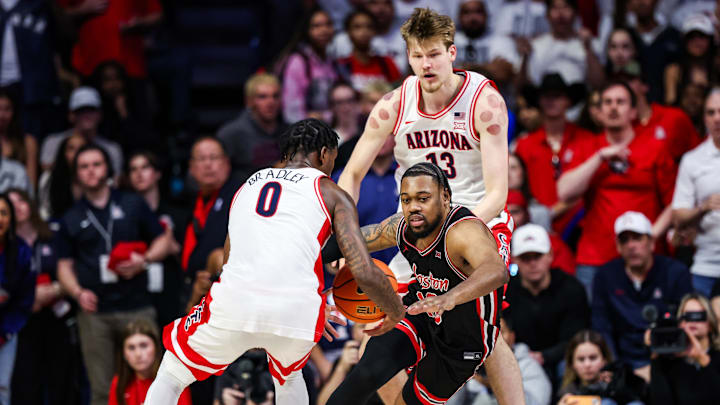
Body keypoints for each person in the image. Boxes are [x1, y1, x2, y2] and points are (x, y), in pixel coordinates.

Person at [144, 118, 404, 405]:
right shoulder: (332, 193)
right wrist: (395, 312)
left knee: (172, 370)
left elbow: (229, 260)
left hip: (236, 303)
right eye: (332, 159)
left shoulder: (247, 185)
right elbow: (363, 271)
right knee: (289, 376)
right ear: (323, 155)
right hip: (299, 315)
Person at [336, 8, 523, 402]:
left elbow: (497, 194)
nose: (426, 64)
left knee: (484, 335)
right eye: (418, 55)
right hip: (417, 226)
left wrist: (450, 233)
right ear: (407, 57)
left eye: (434, 54)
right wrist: (345, 234)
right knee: (381, 324)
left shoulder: (484, 101)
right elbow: (350, 175)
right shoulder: (393, 104)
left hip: (476, 221)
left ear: (452, 53)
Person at [324, 162, 512, 404]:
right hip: (420, 314)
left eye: (423, 198)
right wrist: (305, 257)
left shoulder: (463, 231)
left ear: (445, 197)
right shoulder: (403, 226)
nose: (413, 207)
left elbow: (497, 271)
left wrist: (449, 298)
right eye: (406, 199)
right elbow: (351, 240)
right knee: (365, 374)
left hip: (463, 339)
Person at [56, 144, 170, 405]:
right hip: (96, 311)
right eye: (84, 166)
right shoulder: (70, 217)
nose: (91, 171)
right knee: (101, 388)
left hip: (137, 305)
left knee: (155, 382)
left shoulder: (132, 203)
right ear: (76, 175)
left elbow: (163, 240)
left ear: (108, 168)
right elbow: (64, 266)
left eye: (96, 164)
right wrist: (77, 292)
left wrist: (146, 259)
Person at [557, 80, 677, 297]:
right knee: (597, 327)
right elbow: (564, 192)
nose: (613, 107)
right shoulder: (588, 146)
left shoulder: (655, 147)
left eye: (620, 102)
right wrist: (599, 157)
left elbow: (673, 204)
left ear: (633, 111)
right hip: (595, 257)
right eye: (607, 102)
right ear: (599, 112)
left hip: (646, 257)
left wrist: (649, 239)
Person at [592, 211, 692, 381]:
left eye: (637, 238)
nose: (631, 246)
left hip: (669, 359)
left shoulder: (675, 273)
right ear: (618, 246)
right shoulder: (606, 276)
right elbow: (602, 327)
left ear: (652, 243)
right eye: (625, 240)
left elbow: (686, 322)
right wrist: (614, 366)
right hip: (624, 362)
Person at [9, 188, 81, 405]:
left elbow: (75, 268)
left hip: (57, 316)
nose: (17, 207)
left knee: (61, 381)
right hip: (21, 323)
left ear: (30, 203)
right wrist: (29, 297)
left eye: (21, 200)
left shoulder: (54, 233)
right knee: (25, 384)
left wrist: (57, 289)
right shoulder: (5, 243)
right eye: (9, 205)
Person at [505, 224, 589, 384]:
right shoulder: (505, 291)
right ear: (515, 259)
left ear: (550, 255)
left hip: (562, 357)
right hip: (519, 357)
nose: (532, 263)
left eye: (537, 256)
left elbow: (576, 337)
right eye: (525, 258)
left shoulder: (571, 288)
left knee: (570, 364)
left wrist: (544, 357)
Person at [514, 73, 593, 236]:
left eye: (557, 96)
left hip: (580, 223)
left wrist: (557, 210)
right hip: (536, 223)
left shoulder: (587, 140)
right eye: (546, 97)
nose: (552, 101)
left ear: (568, 101)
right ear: (539, 101)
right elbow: (519, 187)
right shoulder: (525, 144)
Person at [180, 137, 241, 305]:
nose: (208, 164)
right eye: (201, 159)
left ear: (226, 163)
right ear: (191, 168)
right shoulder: (190, 203)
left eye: (213, 158)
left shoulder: (240, 196)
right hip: (193, 294)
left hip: (227, 296)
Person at [671, 87, 720, 297]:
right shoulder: (692, 160)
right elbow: (678, 217)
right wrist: (703, 208)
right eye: (710, 112)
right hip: (706, 266)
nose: (717, 118)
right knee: (698, 328)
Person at [127, 151, 183, 327]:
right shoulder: (124, 214)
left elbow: (186, 253)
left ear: (157, 174)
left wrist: (174, 247)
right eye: (133, 169)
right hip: (136, 292)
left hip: (171, 288)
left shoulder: (177, 212)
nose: (139, 174)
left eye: (145, 167)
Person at [615, 61, 702, 163]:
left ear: (645, 86)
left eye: (629, 80)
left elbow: (699, 155)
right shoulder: (617, 127)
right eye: (619, 82)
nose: (623, 86)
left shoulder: (673, 117)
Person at [58, 0, 163, 80]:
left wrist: (141, 22)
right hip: (90, 65)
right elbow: (55, 14)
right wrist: (81, 9)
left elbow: (157, 14)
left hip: (131, 66)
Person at [649, 293, 720, 405]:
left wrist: (703, 360)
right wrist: (656, 358)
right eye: (687, 316)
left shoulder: (717, 357)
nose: (693, 321)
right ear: (680, 323)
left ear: (710, 323)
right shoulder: (670, 361)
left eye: (699, 316)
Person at [216, 73, 288, 182]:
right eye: (262, 97)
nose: (270, 102)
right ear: (249, 101)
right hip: (243, 193)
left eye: (275, 96)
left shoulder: (290, 132)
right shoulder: (232, 134)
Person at [40, 87, 124, 176]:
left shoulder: (112, 150)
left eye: (91, 110)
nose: (87, 115)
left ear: (100, 114)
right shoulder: (53, 143)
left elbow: (115, 181)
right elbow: (47, 177)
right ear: (71, 115)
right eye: (81, 110)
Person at [0, 192, 34, 405]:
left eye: (3, 213)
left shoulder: (21, 250)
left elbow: (24, 300)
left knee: (3, 388)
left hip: (5, 334)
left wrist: (5, 333)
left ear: (11, 218)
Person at [110, 318, 192, 405]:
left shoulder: (175, 379)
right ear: (124, 354)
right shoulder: (119, 382)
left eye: (144, 345)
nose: (138, 354)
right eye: (131, 348)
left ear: (156, 348)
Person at [526, 0, 604, 90]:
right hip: (544, 100)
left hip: (582, 101)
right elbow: (525, 88)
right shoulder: (535, 46)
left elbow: (599, 84)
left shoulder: (590, 44)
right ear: (547, 15)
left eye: (566, 7)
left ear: (576, 13)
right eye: (555, 8)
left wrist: (588, 49)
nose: (560, 14)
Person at [277, 8, 338, 123]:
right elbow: (291, 111)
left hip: (331, 128)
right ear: (307, 31)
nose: (324, 30)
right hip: (305, 131)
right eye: (317, 26)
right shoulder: (298, 61)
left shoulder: (333, 61)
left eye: (328, 24)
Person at [557, 330, 646, 405]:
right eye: (581, 359)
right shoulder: (568, 391)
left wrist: (614, 388)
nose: (587, 365)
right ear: (572, 363)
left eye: (593, 358)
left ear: (604, 359)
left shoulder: (617, 380)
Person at [627, 0, 682, 103]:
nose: (641, 2)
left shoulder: (673, 36)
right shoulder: (624, 36)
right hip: (630, 108)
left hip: (667, 108)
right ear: (629, 3)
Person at [336, 9, 402, 92]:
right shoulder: (342, 66)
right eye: (357, 27)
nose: (364, 32)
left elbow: (398, 93)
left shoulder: (387, 63)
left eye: (369, 27)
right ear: (348, 32)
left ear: (374, 31)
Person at [39, 134, 86, 220]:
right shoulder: (48, 178)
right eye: (71, 148)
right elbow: (45, 212)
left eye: (81, 148)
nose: (77, 153)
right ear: (63, 153)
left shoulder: (94, 177)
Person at [0, 90, 38, 188]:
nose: (2, 115)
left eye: (7, 109)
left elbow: (31, 183)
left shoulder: (27, 142)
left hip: (18, 196)